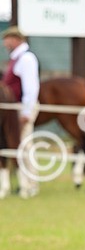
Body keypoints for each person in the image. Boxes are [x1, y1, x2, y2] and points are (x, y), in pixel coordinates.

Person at [2, 26, 40, 198]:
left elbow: (30, 87)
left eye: (8, 39)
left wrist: (26, 112)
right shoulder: (16, 59)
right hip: (13, 109)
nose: (5, 43)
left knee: (25, 145)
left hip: (21, 108)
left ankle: (31, 184)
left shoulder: (26, 59)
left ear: (16, 39)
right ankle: (24, 183)